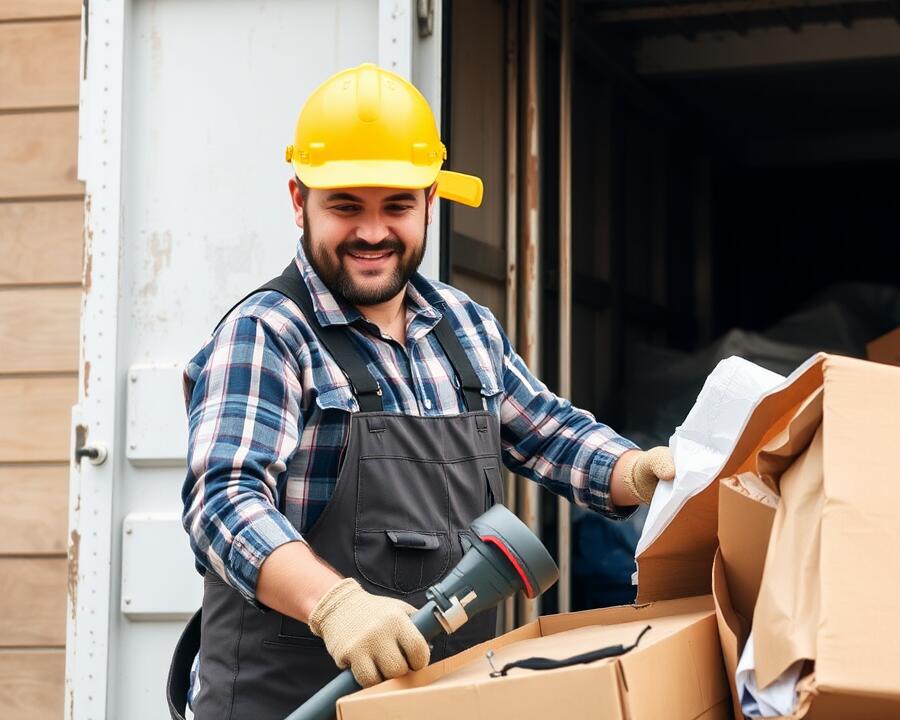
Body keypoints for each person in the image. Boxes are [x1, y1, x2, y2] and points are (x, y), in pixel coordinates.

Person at [168, 63, 675, 719]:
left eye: (398, 206)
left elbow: (547, 431)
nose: (373, 232)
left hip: (441, 701)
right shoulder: (267, 333)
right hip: (291, 702)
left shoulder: (463, 326)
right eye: (346, 206)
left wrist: (634, 469)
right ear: (299, 201)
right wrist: (334, 604)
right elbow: (222, 503)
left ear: (431, 202)